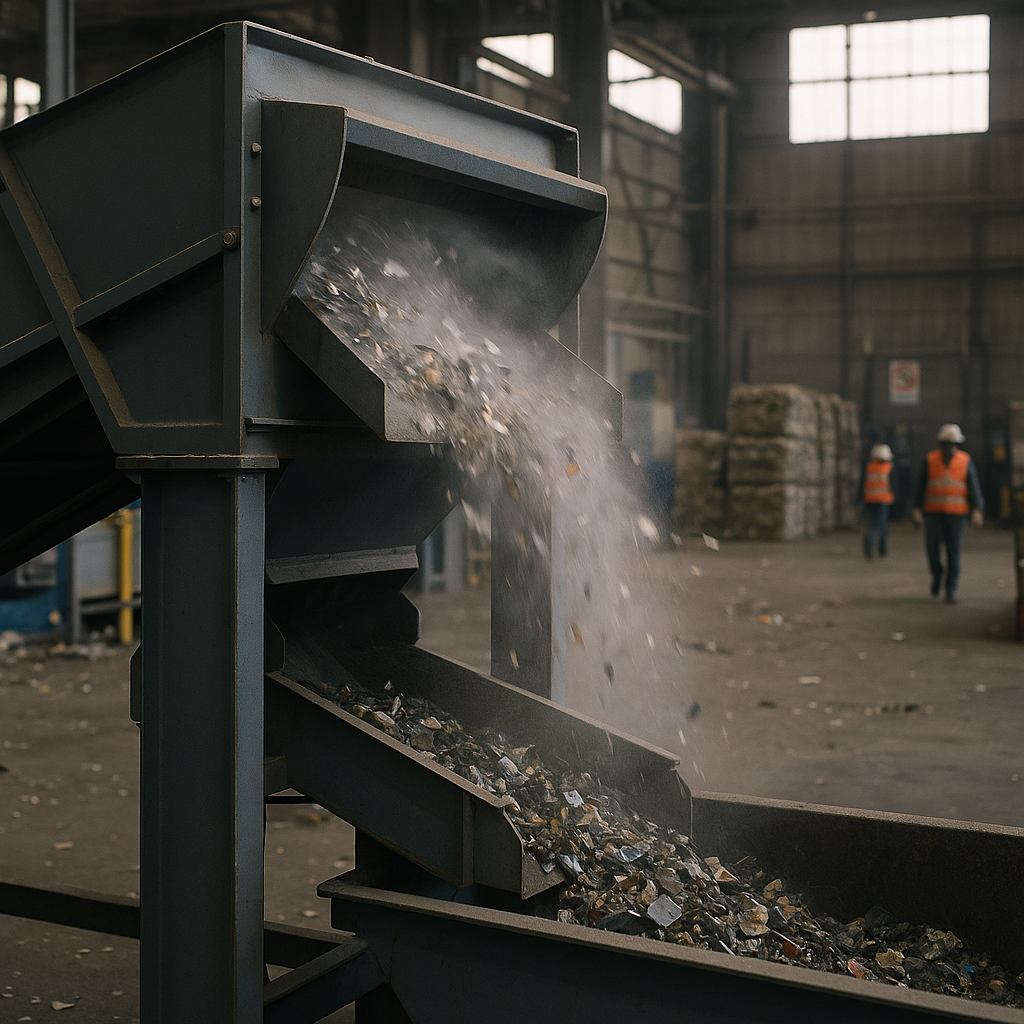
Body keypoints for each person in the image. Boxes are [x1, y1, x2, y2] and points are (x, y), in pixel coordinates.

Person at [912, 424, 985, 604]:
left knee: (954, 553)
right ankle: (937, 574)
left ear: (958, 444)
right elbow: (920, 485)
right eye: (946, 443)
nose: (949, 447)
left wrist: (977, 509)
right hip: (933, 512)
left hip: (957, 514)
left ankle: (951, 589)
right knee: (932, 548)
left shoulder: (965, 461)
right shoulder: (929, 460)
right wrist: (916, 508)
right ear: (940, 443)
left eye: (952, 443)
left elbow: (973, 486)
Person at [859, 443, 896, 559]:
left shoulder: (869, 467)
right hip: (883, 501)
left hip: (869, 500)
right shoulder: (888, 468)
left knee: (872, 524)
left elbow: (861, 484)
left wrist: (858, 498)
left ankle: (875, 546)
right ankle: (879, 548)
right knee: (880, 526)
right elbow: (894, 485)